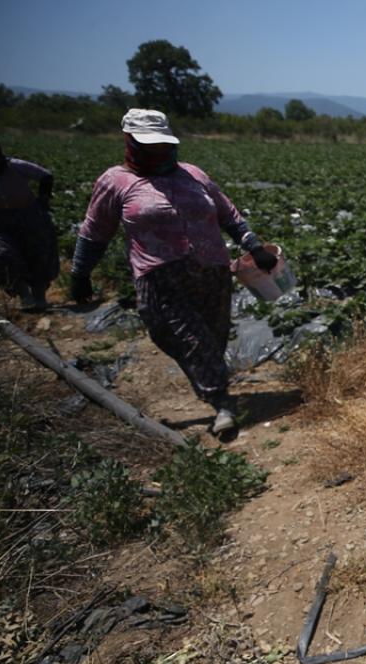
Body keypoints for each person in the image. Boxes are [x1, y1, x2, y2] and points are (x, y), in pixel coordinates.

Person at [69, 109, 278, 438]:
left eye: (163, 145)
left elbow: (229, 215)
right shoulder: (116, 181)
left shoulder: (192, 174)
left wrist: (254, 246)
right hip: (161, 278)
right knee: (189, 339)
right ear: (131, 142)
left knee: (213, 337)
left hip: (212, 273)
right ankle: (222, 402)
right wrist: (80, 272)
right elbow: (95, 231)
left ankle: (213, 388)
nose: (159, 151)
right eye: (150, 146)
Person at [0, 133, 58, 312]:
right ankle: (24, 295)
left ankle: (39, 297)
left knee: (39, 253)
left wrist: (43, 200)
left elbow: (45, 176)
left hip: (28, 216)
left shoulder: (14, 166)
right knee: (2, 254)